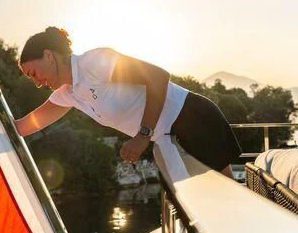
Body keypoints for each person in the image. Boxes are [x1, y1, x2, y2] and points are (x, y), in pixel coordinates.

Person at [14, 27, 242, 178]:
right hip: (169, 141)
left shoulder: (93, 62)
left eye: (33, 73)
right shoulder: (68, 93)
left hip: (194, 120)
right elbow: (22, 128)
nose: (37, 83)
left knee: (228, 202)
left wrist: (142, 136)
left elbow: (157, 76)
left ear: (49, 56)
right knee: (203, 212)